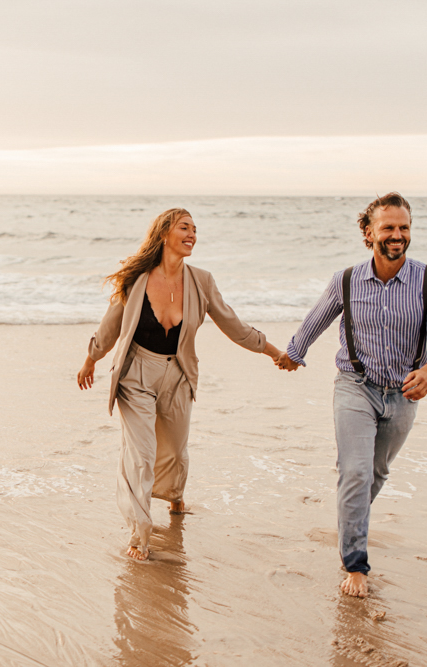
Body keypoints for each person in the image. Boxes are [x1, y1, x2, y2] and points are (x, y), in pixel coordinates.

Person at [277, 192, 427, 597]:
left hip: (403, 394)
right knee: (355, 472)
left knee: (373, 475)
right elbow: (316, 320)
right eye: (389, 227)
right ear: (368, 232)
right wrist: (294, 353)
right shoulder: (347, 280)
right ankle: (354, 565)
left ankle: (349, 515)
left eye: (404, 227)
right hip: (354, 387)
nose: (397, 235)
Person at [77, 208, 283, 561]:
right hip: (136, 373)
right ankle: (140, 534)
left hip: (178, 373)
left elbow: (233, 324)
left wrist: (274, 351)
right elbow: (112, 325)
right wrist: (91, 358)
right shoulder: (136, 279)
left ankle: (174, 496)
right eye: (184, 228)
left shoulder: (201, 281)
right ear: (164, 234)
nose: (192, 234)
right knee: (140, 455)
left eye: (195, 229)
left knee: (174, 451)